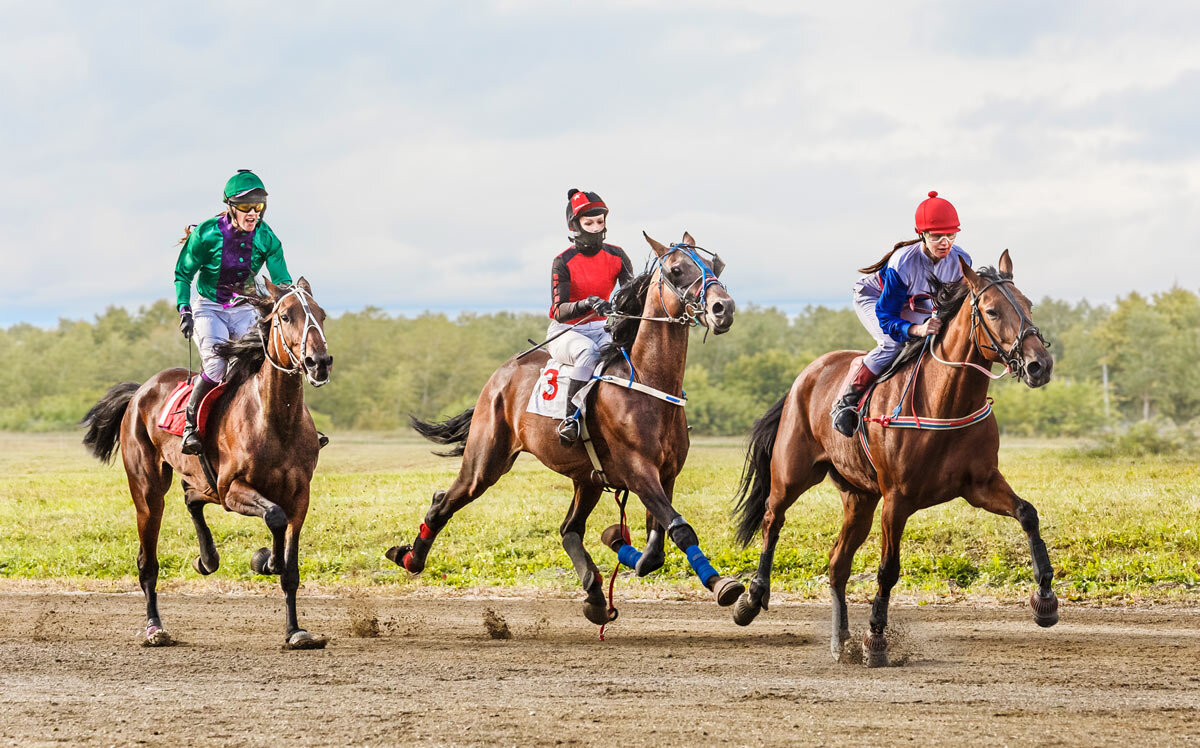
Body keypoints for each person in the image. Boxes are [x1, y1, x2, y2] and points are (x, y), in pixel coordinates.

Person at [174, 169, 301, 454]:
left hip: (244, 307)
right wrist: (184, 309)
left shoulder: (266, 237)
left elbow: (281, 281)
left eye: (259, 206)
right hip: (209, 308)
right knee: (217, 368)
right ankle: (190, 427)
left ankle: (294, 430)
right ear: (230, 207)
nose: (253, 212)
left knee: (259, 365)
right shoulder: (207, 234)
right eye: (246, 206)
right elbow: (183, 274)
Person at [830, 190, 973, 437]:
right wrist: (915, 329)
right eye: (937, 236)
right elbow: (886, 317)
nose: (945, 243)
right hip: (875, 298)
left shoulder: (961, 260)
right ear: (922, 234)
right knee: (892, 344)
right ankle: (846, 402)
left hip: (915, 303)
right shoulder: (903, 262)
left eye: (951, 235)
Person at [547, 188, 634, 446]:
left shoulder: (617, 255)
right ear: (575, 225)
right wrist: (587, 304)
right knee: (587, 353)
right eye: (589, 223)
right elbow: (558, 310)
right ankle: (570, 419)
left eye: (600, 221)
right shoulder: (562, 261)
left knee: (629, 355)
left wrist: (621, 308)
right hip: (567, 332)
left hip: (603, 329)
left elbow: (632, 296)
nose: (596, 228)